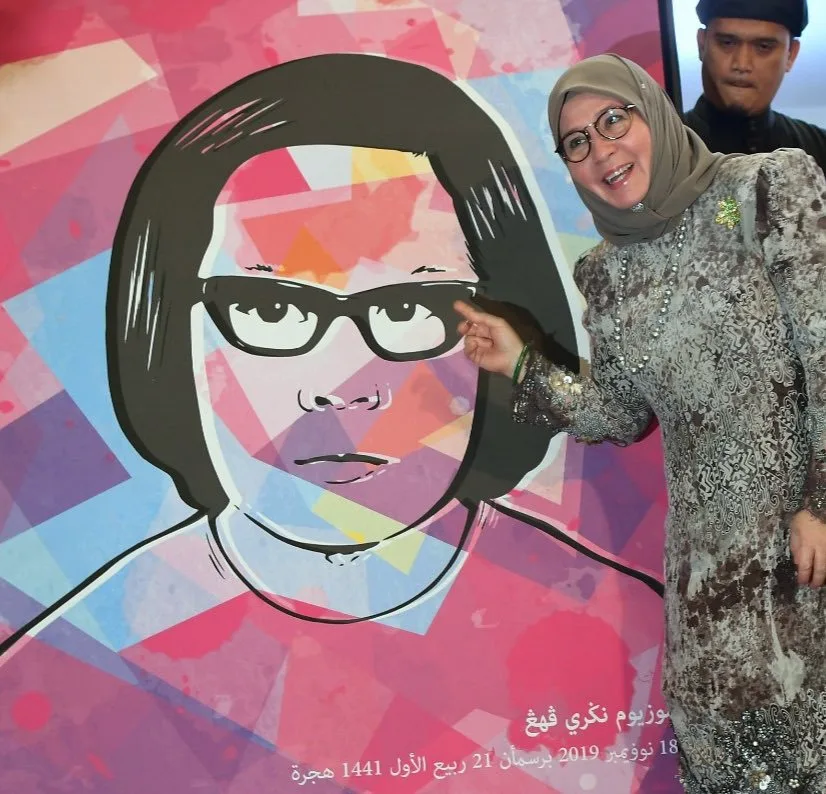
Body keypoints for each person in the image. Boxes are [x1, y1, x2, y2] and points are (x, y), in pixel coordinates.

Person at [0, 54, 674, 793]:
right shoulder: (62, 670)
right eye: (269, 309)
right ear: (167, 328)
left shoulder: (631, 630)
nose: (342, 388)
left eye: (411, 309)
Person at [455, 53, 826, 793]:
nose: (602, 150)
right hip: (707, 595)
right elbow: (619, 414)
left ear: (650, 111)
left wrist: (820, 502)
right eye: (578, 142)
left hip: (806, 559)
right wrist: (523, 363)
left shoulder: (759, 190)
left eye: (613, 121)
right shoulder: (607, 273)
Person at [684, 0, 826, 173]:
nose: (742, 64)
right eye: (727, 43)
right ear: (702, 44)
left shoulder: (820, 149)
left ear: (791, 54)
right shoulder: (661, 149)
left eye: (763, 47)